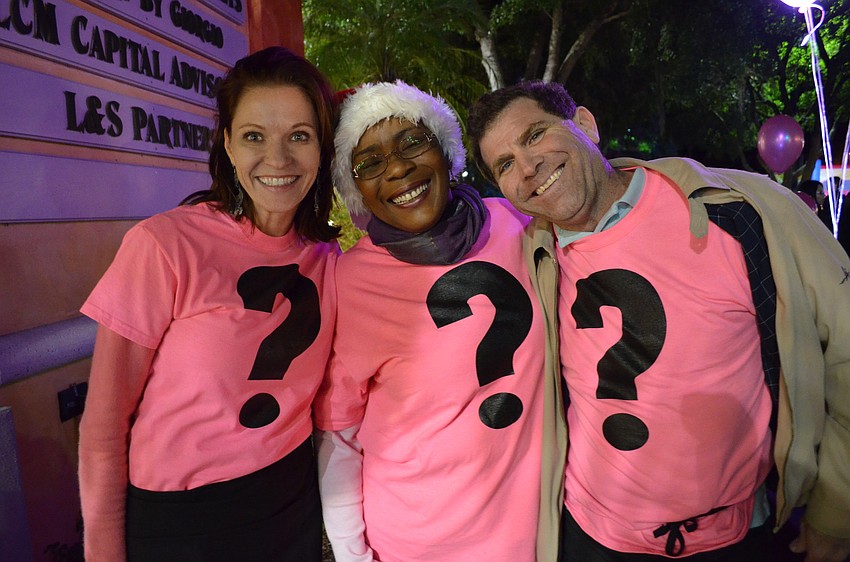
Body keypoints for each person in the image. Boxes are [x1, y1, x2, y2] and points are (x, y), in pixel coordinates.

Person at [467, 80, 850, 562]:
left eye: (536, 135)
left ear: (585, 123)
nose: (527, 167)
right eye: (504, 164)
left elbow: (845, 351)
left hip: (737, 536)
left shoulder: (740, 212)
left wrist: (836, 509)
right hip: (590, 536)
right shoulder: (529, 253)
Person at [78, 46, 341, 562]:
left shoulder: (328, 257)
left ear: (321, 148)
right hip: (182, 521)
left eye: (299, 136)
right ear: (226, 144)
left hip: (291, 502)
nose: (279, 159)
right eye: (253, 137)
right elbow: (104, 426)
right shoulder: (164, 246)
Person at [313, 81, 557, 561]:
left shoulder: (519, 223)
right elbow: (338, 433)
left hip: (535, 533)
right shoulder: (348, 282)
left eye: (412, 142)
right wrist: (350, 552)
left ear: (446, 150)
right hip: (414, 543)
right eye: (369, 163)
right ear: (355, 188)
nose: (399, 167)